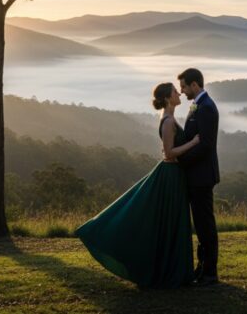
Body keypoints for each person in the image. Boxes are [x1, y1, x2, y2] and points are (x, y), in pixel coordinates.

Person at [75, 82, 199, 289]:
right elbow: (169, 153)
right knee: (169, 221)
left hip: (173, 174)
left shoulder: (168, 118)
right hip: (170, 175)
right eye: (175, 92)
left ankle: (173, 270)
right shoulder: (168, 121)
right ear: (168, 98)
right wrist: (194, 143)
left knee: (170, 222)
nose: (179, 93)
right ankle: (170, 272)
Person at [172, 68, 220, 287]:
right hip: (195, 176)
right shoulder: (199, 105)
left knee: (205, 226)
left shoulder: (207, 108)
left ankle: (210, 273)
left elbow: (206, 145)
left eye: (183, 86)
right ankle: (202, 269)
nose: (181, 91)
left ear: (194, 85)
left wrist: (181, 159)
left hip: (202, 177)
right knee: (200, 226)